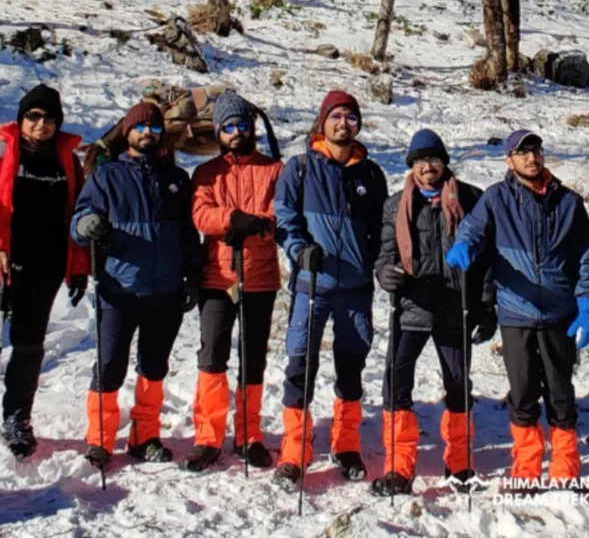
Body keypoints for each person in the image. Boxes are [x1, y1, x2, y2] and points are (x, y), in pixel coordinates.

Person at [446, 129, 589, 486]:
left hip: (560, 315)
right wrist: (463, 246)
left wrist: (586, 302)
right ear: (509, 160)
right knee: (523, 393)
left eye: (536, 151)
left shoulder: (569, 203)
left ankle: (565, 468)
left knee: (561, 395)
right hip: (516, 314)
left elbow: (586, 256)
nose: (532, 158)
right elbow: (471, 229)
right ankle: (527, 468)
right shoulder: (497, 199)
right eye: (523, 152)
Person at [71, 101, 203, 466]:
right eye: (140, 128)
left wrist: (193, 275)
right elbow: (80, 217)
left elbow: (188, 232)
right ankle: (99, 439)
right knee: (110, 363)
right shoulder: (107, 175)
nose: (148, 134)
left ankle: (145, 436)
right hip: (119, 288)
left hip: (166, 290)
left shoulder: (176, 179)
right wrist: (86, 226)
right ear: (127, 132)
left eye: (155, 129)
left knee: (154, 365)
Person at [370, 129, 495, 497]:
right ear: (412, 166)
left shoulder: (471, 198)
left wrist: (487, 307)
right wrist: (384, 274)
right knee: (396, 385)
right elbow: (385, 255)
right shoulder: (395, 206)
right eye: (421, 161)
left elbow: (486, 260)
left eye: (435, 160)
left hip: (457, 307)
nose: (428, 167)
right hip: (411, 306)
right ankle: (398, 466)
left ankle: (459, 464)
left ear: (444, 163)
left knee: (458, 386)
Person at [273, 90, 388, 489]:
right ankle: (294, 450)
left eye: (351, 117)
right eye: (336, 115)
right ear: (322, 122)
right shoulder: (301, 168)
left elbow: (382, 231)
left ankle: (347, 442)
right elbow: (285, 220)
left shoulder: (371, 175)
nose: (344, 123)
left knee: (352, 367)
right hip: (312, 286)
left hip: (355, 289)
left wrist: (377, 263)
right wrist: (299, 249)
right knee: (300, 367)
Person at [180, 92, 283, 473]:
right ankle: (208, 437)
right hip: (218, 276)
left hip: (260, 276)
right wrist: (232, 218)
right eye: (229, 127)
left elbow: (281, 213)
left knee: (252, 359)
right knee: (212, 356)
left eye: (242, 125)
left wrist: (259, 223)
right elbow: (201, 215)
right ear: (218, 132)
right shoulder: (206, 173)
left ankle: (249, 434)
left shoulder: (274, 169)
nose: (237, 132)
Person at [0, 85, 90, 459]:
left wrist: (79, 268)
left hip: (46, 266)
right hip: (5, 262)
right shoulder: (5, 155)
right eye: (33, 116)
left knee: (28, 344)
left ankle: (16, 419)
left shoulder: (68, 162)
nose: (41, 124)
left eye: (49, 118)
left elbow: (78, 216)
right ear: (21, 120)